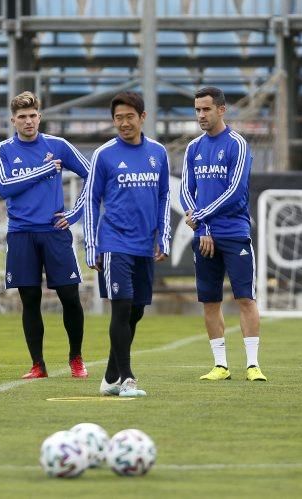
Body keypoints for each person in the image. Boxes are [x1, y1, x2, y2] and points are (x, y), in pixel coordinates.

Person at [0, 91, 90, 379]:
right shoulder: (3, 150)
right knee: (30, 298)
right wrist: (44, 170)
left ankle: (76, 358)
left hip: (54, 231)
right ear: (13, 120)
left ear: (40, 117)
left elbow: (91, 174)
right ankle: (38, 364)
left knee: (69, 296)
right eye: (22, 117)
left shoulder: (58, 145)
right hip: (21, 233)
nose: (28, 121)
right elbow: (4, 187)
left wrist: (76, 213)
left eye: (33, 115)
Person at [84, 91, 171, 397]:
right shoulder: (103, 155)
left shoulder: (158, 152)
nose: (123, 123)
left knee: (136, 312)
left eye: (129, 117)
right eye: (118, 118)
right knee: (121, 310)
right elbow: (90, 200)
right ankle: (127, 378)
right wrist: (91, 245)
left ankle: (109, 374)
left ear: (142, 117)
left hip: (144, 246)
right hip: (114, 243)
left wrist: (164, 235)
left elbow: (163, 197)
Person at [179, 87, 267, 383]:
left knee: (245, 297)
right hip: (204, 235)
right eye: (197, 110)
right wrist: (202, 227)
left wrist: (201, 216)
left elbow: (234, 191)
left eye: (206, 109)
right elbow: (185, 191)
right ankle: (220, 365)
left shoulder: (237, 145)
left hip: (234, 232)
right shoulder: (193, 148)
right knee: (209, 300)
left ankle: (253, 365)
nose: (201, 115)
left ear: (221, 110)